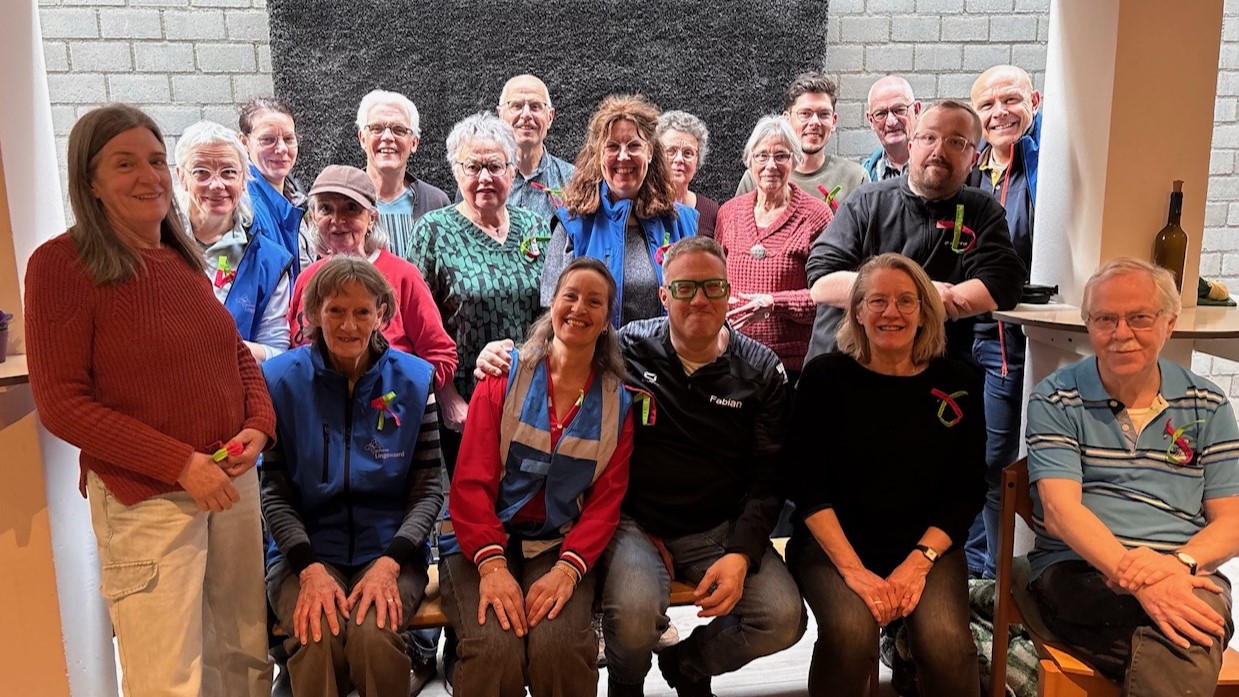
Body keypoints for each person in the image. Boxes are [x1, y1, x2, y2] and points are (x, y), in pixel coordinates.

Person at [481, 237, 806, 696]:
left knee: (782, 618)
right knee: (633, 617)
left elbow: (769, 479)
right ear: (664, 295)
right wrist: (498, 354)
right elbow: (561, 342)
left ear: (730, 291)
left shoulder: (761, 369)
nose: (700, 300)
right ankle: (627, 685)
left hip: (719, 527)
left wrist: (741, 553)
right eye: (686, 287)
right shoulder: (626, 349)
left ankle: (689, 663)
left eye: (714, 287)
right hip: (634, 524)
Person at [25, 103, 274, 697]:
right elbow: (62, 403)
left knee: (243, 656)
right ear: (90, 180)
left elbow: (233, 353)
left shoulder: (179, 257)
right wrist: (180, 465)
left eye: (158, 161)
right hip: (151, 499)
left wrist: (259, 425)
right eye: (126, 163)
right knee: (170, 675)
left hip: (229, 482)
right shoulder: (62, 265)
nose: (151, 176)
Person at [1026, 258, 1239, 696]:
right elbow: (1061, 513)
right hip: (1082, 568)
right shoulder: (1056, 397)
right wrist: (1134, 575)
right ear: (1089, 325)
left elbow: (1232, 521)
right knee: (1195, 634)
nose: (1121, 333)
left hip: (1185, 570)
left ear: (1169, 323)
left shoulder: (1209, 403)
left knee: (1184, 624)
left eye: (1139, 318)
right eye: (1105, 319)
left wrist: (1173, 566)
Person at [784, 253, 984, 697]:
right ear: (856, 311)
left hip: (927, 548)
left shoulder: (960, 380)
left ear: (924, 311)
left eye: (905, 301)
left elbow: (967, 489)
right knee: (852, 636)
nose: (891, 312)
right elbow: (803, 479)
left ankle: (911, 650)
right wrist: (853, 570)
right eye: (877, 301)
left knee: (949, 646)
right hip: (833, 545)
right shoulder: (825, 377)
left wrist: (917, 564)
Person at [439, 257, 635, 697]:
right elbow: (469, 483)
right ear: (552, 303)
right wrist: (491, 565)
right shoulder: (504, 375)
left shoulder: (617, 403)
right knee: (495, 647)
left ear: (607, 319)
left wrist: (569, 570)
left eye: (594, 301)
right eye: (570, 296)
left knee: (560, 646)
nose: (579, 308)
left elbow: (606, 503)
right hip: (478, 540)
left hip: (557, 544)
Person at [262, 256, 444, 697]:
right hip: (302, 553)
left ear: (382, 314)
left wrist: (390, 561)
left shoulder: (416, 381)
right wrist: (308, 569)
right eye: (335, 311)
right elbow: (274, 492)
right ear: (313, 314)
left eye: (363, 311)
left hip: (389, 551)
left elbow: (429, 488)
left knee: (374, 632)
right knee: (316, 630)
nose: (349, 325)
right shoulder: (279, 381)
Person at [805, 99, 1026, 366]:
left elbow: (1001, 284)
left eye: (956, 142)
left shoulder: (981, 211)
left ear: (974, 159)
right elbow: (822, 283)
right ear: (911, 147)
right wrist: (924, 297)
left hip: (930, 375)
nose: (938, 150)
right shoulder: (866, 202)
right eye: (928, 137)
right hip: (845, 367)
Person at [407, 112, 548, 454]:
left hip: (536, 400)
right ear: (456, 171)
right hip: (468, 406)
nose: (485, 177)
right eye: (473, 167)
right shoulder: (433, 230)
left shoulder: (536, 226)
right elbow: (418, 325)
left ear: (513, 171)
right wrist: (447, 397)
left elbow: (552, 308)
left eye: (495, 166)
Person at [964, 65, 1044, 579]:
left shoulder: (1045, 167)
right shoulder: (971, 172)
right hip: (959, 339)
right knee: (969, 458)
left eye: (1010, 100)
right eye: (988, 106)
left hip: (1007, 341)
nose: (1000, 113)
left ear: (1034, 100)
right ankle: (970, 568)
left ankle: (993, 581)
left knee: (994, 462)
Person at [288, 164, 457, 396]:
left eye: (351, 209)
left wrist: (397, 393)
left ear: (372, 218)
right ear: (315, 217)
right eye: (326, 209)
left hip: (385, 419)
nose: (337, 220)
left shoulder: (402, 276)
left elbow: (441, 356)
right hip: (318, 417)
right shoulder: (307, 279)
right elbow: (292, 353)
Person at [540, 94, 699, 328]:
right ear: (599, 156)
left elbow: (695, 303)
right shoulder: (573, 225)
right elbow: (551, 313)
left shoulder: (680, 221)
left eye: (634, 145)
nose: (623, 156)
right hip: (595, 361)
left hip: (664, 362)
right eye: (612, 146)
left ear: (650, 152)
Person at [715, 115, 833, 381]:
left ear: (794, 160)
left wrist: (773, 304)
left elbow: (827, 298)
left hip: (791, 366)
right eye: (761, 156)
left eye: (781, 155)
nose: (771, 165)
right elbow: (716, 281)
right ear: (749, 161)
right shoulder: (729, 213)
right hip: (733, 359)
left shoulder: (815, 216)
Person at [175, 120, 293, 363]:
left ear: (244, 177)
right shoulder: (156, 243)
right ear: (181, 177)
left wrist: (226, 346)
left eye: (228, 172)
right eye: (201, 173)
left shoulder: (270, 261)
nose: (217, 185)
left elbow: (278, 353)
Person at [736, 72, 869, 206]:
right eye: (805, 114)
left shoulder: (856, 179)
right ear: (787, 119)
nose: (815, 122)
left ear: (834, 121)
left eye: (823, 114)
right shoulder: (758, 177)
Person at [355, 89, 451, 258]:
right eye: (376, 128)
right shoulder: (346, 200)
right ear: (363, 139)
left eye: (398, 129)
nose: (387, 137)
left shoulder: (436, 202)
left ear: (414, 142)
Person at [239, 96, 313, 275]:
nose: (281, 149)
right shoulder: (242, 207)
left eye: (288, 139)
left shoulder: (297, 200)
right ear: (244, 142)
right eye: (267, 139)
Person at [493, 74, 576, 225]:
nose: (526, 115)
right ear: (500, 115)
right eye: (516, 106)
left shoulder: (574, 181)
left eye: (535, 106)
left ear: (550, 117)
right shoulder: (481, 181)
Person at [657, 110, 720, 238]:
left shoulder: (712, 212)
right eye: (671, 151)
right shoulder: (643, 208)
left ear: (697, 161)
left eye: (688, 153)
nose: (679, 159)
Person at [860, 76, 922, 182]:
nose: (891, 122)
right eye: (881, 114)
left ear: (916, 110)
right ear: (871, 120)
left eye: (899, 110)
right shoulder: (862, 178)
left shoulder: (937, 168)